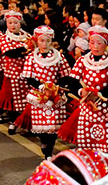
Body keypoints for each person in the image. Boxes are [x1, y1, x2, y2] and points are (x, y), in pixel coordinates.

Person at [60, 25, 108, 156]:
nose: (95, 46)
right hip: (87, 109)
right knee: (87, 146)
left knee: (107, 146)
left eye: (99, 43)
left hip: (107, 110)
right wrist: (81, 92)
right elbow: (73, 81)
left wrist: (99, 94)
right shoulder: (82, 61)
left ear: (105, 44)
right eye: (92, 42)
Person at [21, 25, 75, 158]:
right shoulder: (31, 57)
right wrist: (42, 87)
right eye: (41, 41)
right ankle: (44, 142)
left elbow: (66, 75)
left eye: (47, 41)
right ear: (36, 41)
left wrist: (56, 87)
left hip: (55, 95)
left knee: (54, 126)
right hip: (39, 95)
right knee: (41, 126)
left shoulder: (59, 57)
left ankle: (49, 150)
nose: (44, 44)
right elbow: (28, 77)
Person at [0, 10, 31, 130]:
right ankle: (12, 121)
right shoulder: (4, 38)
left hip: (27, 73)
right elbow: (10, 53)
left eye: (16, 22)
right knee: (12, 100)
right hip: (12, 74)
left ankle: (25, 122)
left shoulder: (28, 36)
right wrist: (26, 48)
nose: (13, 25)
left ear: (20, 23)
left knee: (27, 99)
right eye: (10, 23)